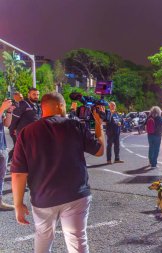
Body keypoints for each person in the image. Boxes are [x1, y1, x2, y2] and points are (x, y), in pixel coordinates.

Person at [11, 92, 104, 253]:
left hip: (43, 197)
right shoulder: (75, 125)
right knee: (77, 239)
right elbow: (99, 150)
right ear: (60, 105)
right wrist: (99, 125)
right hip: (76, 194)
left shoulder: (26, 132)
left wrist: (18, 204)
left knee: (43, 237)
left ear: (43, 108)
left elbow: (19, 173)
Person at [0, 99, 15, 210]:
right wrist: (2, 108)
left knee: (1, 177)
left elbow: (7, 124)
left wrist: (9, 112)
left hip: (2, 147)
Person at [7, 91, 24, 163]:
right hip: (14, 129)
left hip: (18, 129)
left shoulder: (21, 104)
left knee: (18, 146)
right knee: (17, 146)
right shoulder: (13, 105)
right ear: (15, 97)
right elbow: (13, 119)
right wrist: (14, 129)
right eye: (20, 97)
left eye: (22, 96)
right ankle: (7, 159)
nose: (22, 98)